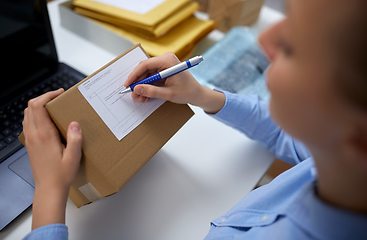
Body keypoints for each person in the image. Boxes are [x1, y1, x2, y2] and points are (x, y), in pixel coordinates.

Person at [22, 0, 367, 239]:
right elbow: (291, 138)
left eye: (293, 48)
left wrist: (50, 191)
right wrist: (204, 96)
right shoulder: (338, 162)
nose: (263, 39)